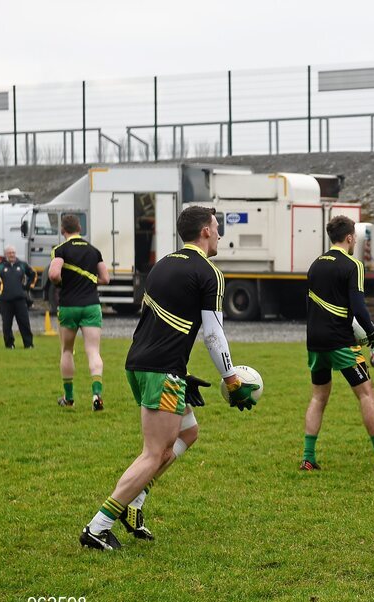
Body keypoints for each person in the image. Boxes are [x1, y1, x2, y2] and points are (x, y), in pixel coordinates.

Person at [79, 206, 259, 551]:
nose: (220, 234)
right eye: (217, 228)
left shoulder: (162, 265)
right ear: (205, 231)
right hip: (161, 370)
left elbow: (157, 324)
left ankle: (135, 502)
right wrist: (231, 378)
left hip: (141, 364)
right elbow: (213, 334)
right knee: (153, 452)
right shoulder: (209, 272)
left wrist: (182, 372)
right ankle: (97, 526)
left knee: (188, 433)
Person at [299, 215, 374, 472]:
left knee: (318, 397)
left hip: (314, 341)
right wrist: (371, 333)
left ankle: (308, 457)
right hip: (341, 342)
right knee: (366, 393)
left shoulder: (315, 264)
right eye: (355, 236)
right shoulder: (352, 264)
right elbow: (358, 306)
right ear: (349, 237)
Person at [48, 214, 110, 410]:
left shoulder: (60, 250)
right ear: (80, 228)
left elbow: (54, 273)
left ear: (62, 231)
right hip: (91, 305)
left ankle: (69, 397)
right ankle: (97, 394)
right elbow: (105, 278)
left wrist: (60, 282)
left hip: (69, 305)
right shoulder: (94, 251)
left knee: (67, 350)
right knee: (93, 351)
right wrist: (90, 281)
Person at [0, 245, 37, 349]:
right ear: (5, 254)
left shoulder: (22, 265)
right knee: (7, 324)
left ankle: (28, 344)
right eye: (10, 253)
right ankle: (9, 344)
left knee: (24, 323)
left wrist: (29, 285)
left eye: (13, 253)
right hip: (5, 300)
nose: (12, 255)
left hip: (20, 299)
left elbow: (33, 274)